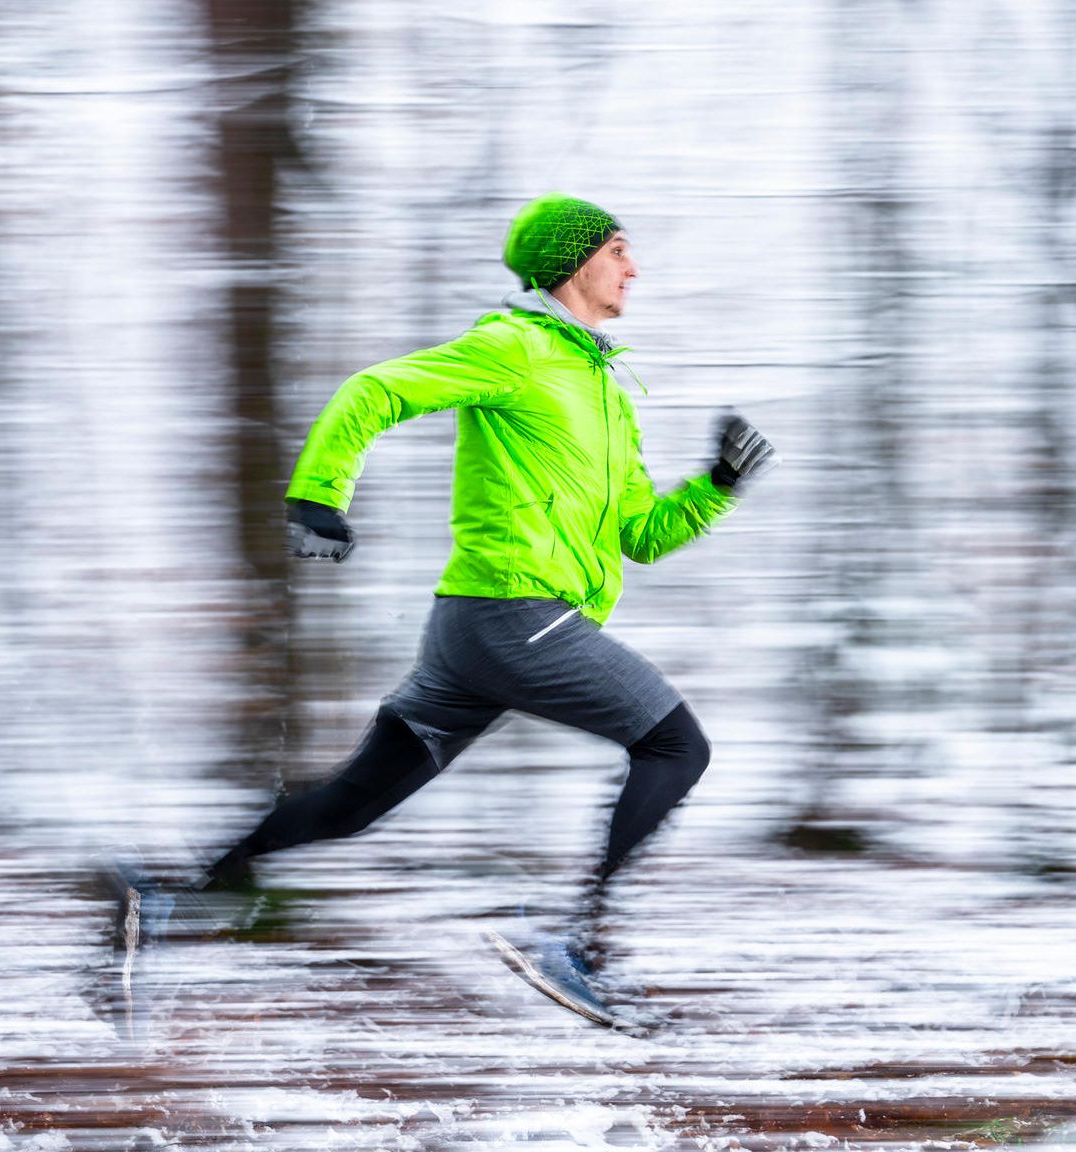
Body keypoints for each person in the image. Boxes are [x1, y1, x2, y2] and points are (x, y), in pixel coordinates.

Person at [194, 193, 776, 983]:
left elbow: (640, 536)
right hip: (515, 614)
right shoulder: (514, 347)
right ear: (573, 264)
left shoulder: (604, 389)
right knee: (676, 746)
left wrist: (717, 484)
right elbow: (375, 390)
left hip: (476, 629)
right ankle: (579, 949)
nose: (632, 266)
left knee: (352, 805)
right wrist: (317, 497)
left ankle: (177, 894)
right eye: (616, 250)